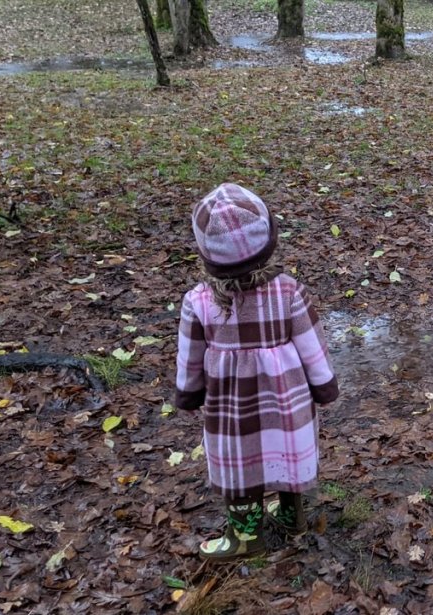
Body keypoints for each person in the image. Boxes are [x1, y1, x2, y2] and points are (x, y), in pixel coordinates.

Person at [175, 183, 339, 560]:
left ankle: (247, 538)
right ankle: (290, 517)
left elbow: (190, 357)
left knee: (239, 466)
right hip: (287, 400)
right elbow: (313, 347)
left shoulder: (199, 301)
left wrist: (188, 391)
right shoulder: (289, 293)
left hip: (232, 408)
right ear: (268, 241)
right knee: (287, 453)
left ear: (207, 251)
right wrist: (324, 386)